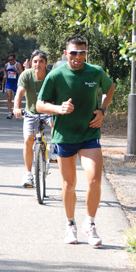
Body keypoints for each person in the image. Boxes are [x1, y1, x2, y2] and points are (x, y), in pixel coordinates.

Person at [36, 35, 115, 246]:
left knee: (95, 180)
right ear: (65, 53)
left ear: (86, 53)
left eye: (82, 52)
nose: (78, 57)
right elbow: (40, 105)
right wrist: (58, 109)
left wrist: (103, 111)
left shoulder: (95, 72)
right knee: (69, 184)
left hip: (89, 134)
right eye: (73, 52)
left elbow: (110, 88)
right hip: (65, 136)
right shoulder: (56, 75)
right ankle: (70, 225)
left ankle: (90, 224)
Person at [12, 50, 55, 187]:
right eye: (35, 61)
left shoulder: (51, 76)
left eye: (41, 61)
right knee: (28, 140)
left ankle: (54, 148)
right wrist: (16, 107)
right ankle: (28, 174)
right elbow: (20, 92)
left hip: (48, 111)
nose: (38, 64)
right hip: (31, 112)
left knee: (55, 122)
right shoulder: (26, 75)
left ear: (46, 64)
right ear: (31, 63)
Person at [4, 53, 23, 118]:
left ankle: (16, 110)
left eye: (11, 60)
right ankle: (9, 112)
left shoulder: (17, 64)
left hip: (16, 83)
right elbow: (5, 71)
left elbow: (21, 73)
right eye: (9, 60)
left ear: (14, 59)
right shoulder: (7, 65)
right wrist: (5, 75)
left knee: (16, 98)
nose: (10, 61)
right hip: (9, 83)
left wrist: (15, 70)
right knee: (9, 97)